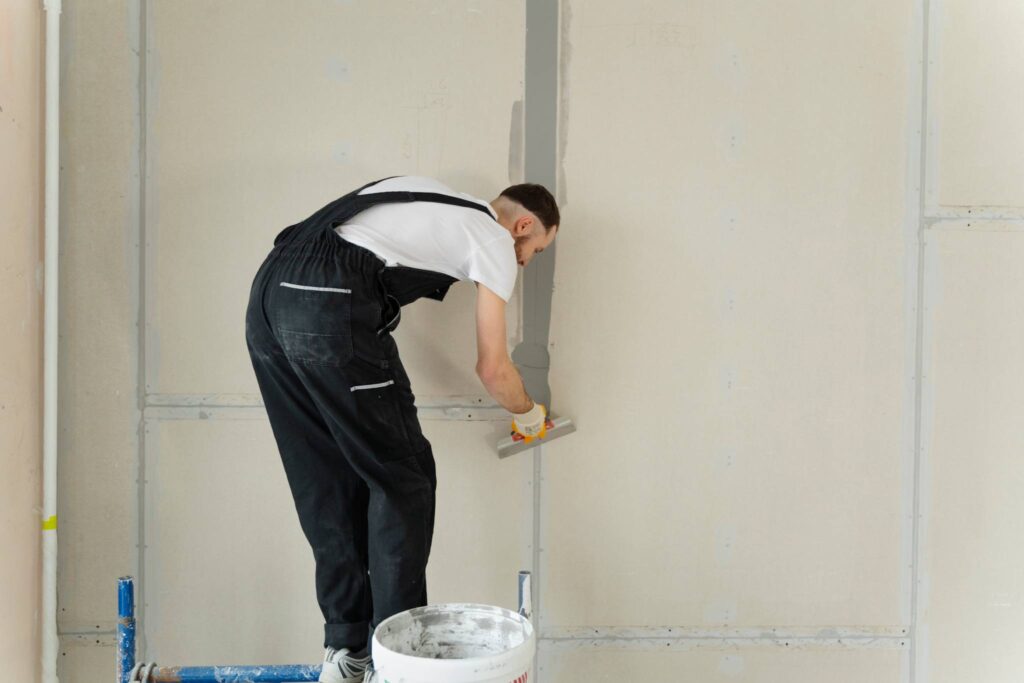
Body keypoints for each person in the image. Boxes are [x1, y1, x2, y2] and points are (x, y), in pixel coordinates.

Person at [244, 174, 559, 682]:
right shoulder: (495, 238)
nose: (525, 261)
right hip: (327, 305)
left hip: (268, 296)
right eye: (536, 249)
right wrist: (529, 413)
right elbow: (494, 370)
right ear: (522, 225)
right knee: (403, 479)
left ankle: (348, 653)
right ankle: (399, 665)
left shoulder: (417, 189)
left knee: (323, 479)